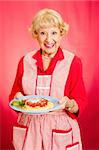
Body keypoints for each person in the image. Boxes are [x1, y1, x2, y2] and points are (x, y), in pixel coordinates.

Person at [9, 8, 87, 150]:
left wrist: (70, 103)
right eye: (43, 33)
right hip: (30, 128)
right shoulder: (25, 61)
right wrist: (17, 98)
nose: (49, 39)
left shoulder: (73, 62)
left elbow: (80, 100)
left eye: (54, 33)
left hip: (59, 129)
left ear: (61, 34)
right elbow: (14, 95)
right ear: (36, 35)